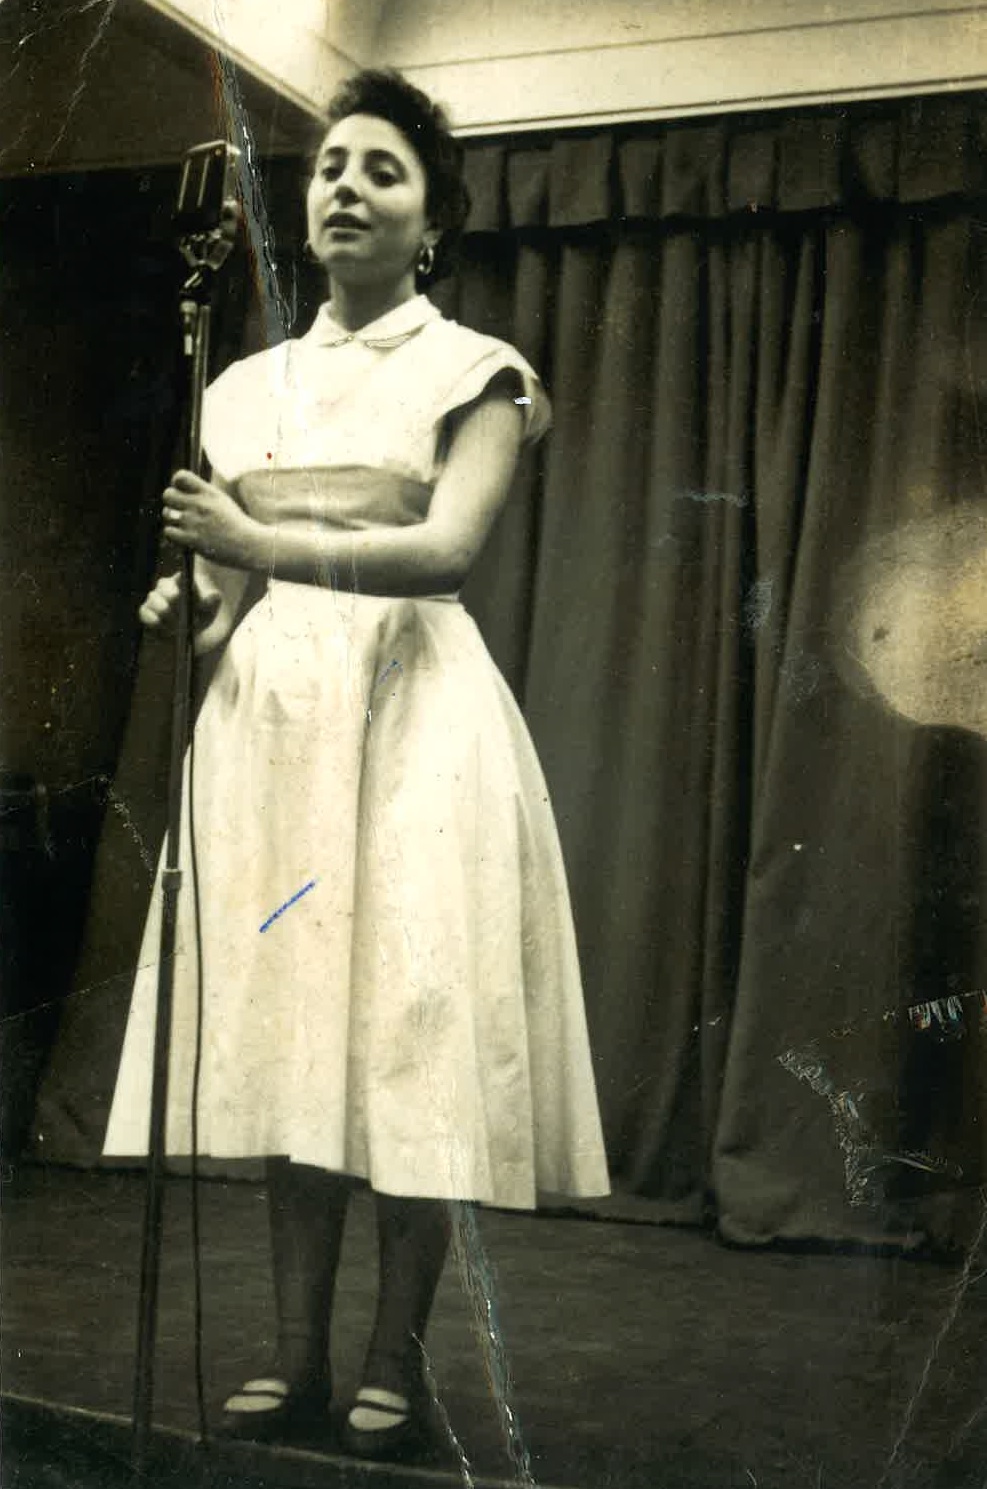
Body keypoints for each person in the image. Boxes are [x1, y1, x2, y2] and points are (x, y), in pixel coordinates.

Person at [103, 68, 609, 1460]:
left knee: (409, 1041)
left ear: (433, 220)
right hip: (276, 726)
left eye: (383, 171)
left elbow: (445, 551)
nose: (346, 188)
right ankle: (295, 1354)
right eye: (331, 166)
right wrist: (193, 604)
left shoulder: (477, 371)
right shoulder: (242, 389)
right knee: (298, 1039)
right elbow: (226, 597)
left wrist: (252, 548)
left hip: (413, 720)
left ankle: (395, 1356)